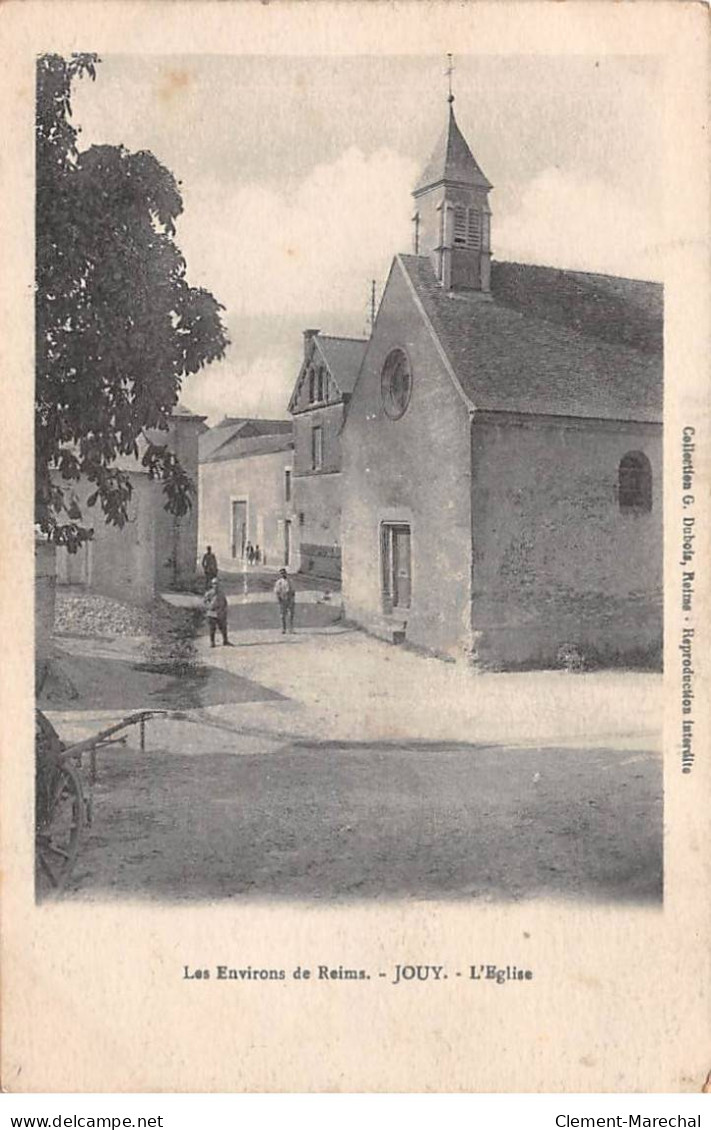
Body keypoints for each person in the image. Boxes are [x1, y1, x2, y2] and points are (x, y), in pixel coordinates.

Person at [203, 577, 229, 646]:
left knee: (223, 627)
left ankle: (225, 641)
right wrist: (209, 607)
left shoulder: (221, 593)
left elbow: (225, 602)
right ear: (212, 585)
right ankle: (212, 642)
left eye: (217, 584)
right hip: (212, 613)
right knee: (212, 628)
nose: (216, 585)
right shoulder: (209, 593)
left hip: (220, 612)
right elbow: (205, 602)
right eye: (214, 584)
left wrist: (224, 611)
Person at [274, 568, 296, 634]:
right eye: (281, 573)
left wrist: (292, 598)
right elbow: (277, 591)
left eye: (284, 573)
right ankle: (283, 628)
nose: (283, 574)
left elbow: (293, 590)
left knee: (291, 614)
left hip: (289, 599)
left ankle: (291, 629)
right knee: (282, 615)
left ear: (286, 573)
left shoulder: (290, 581)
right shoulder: (279, 582)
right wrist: (279, 599)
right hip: (282, 599)